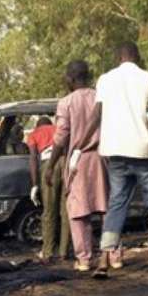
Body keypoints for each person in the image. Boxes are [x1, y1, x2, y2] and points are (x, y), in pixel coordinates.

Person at [87, 42, 148, 278]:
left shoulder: (105, 79)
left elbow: (96, 115)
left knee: (116, 204)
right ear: (137, 57)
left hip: (114, 150)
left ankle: (103, 262)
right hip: (142, 150)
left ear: (119, 57)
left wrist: (79, 146)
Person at [46, 60, 109, 272]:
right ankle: (114, 254)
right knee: (106, 207)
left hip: (78, 160)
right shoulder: (99, 97)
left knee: (78, 210)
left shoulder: (66, 102)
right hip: (102, 157)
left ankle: (84, 258)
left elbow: (61, 137)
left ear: (70, 79)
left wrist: (51, 164)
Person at [28, 116, 70, 261]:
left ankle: (48, 252)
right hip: (65, 163)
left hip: (49, 165)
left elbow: (33, 158)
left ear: (37, 126)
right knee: (66, 211)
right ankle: (64, 252)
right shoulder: (58, 129)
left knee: (49, 211)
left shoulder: (33, 134)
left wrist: (34, 185)